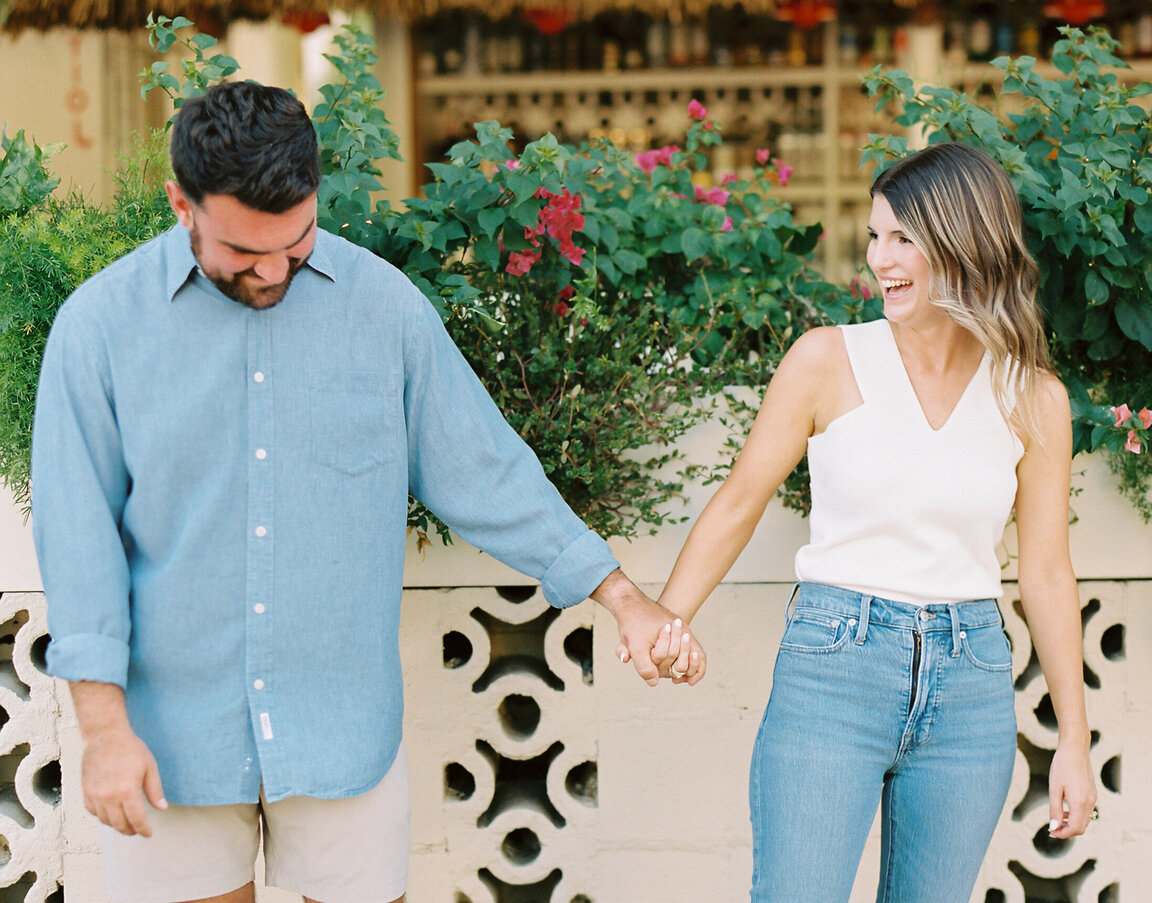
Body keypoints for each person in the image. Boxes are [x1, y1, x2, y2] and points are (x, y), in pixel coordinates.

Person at [31, 81, 702, 903]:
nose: (275, 270)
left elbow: (483, 468)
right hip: (168, 739)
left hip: (343, 731)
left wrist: (622, 597)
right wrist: (102, 731)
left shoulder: (384, 308)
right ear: (181, 203)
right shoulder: (98, 329)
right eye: (245, 254)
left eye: (298, 240)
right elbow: (79, 545)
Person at [649, 142, 1097, 901]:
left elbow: (1048, 573)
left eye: (902, 239)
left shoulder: (1032, 396)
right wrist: (667, 620)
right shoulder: (826, 360)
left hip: (971, 681)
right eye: (874, 237)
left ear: (963, 243)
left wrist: (1074, 744)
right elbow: (740, 498)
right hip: (836, 665)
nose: (877, 259)